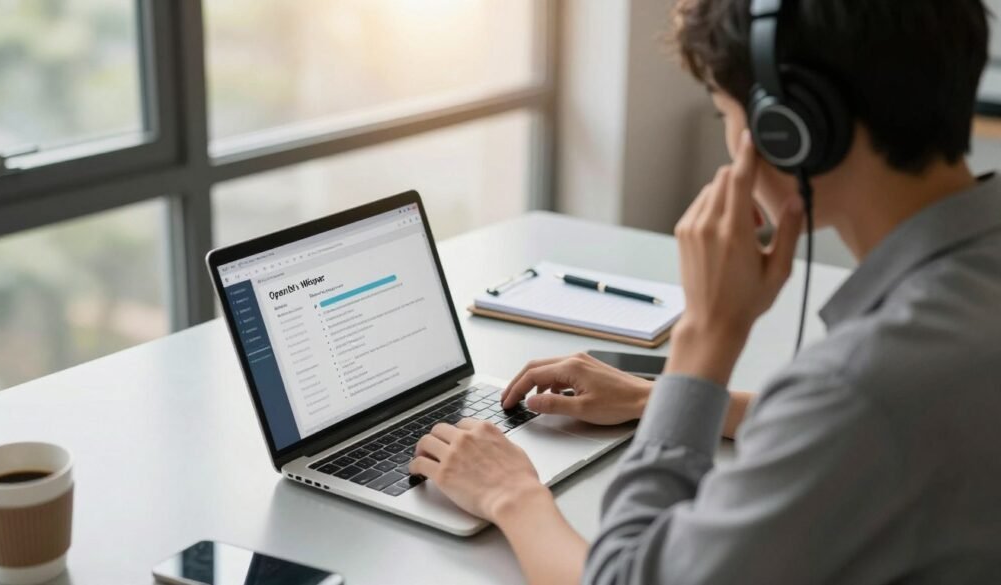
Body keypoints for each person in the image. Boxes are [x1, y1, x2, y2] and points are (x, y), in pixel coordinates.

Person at [409, 0, 1001, 582]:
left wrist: (513, 493)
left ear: (792, 126)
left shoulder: (864, 387)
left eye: (726, 114)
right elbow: (857, 432)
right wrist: (657, 399)